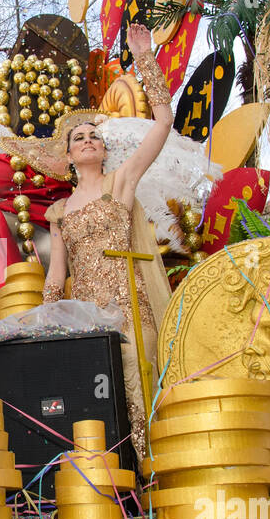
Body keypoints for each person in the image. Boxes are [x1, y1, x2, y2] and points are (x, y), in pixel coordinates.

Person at [42, 24, 175, 457]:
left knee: (144, 386)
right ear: (67, 156)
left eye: (93, 135)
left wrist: (145, 57)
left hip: (132, 309)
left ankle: (154, 480)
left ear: (104, 148)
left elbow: (164, 121)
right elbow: (57, 273)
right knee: (97, 402)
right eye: (77, 137)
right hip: (87, 319)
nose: (87, 140)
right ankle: (114, 493)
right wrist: (47, 324)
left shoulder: (121, 182)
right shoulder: (59, 212)